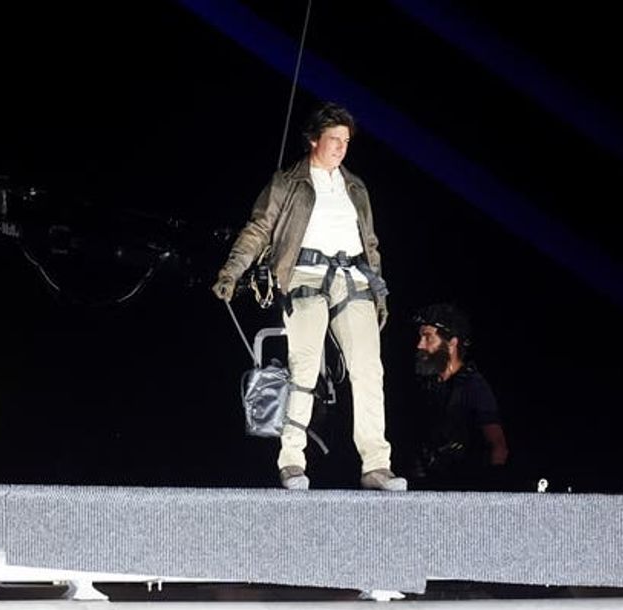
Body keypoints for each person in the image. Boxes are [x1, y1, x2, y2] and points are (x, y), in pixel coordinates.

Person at [212, 101, 406, 492]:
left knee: (369, 370)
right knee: (304, 368)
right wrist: (232, 271)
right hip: (304, 276)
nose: (340, 147)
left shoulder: (355, 186)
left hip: (353, 278)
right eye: (333, 139)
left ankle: (376, 464)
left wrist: (379, 293)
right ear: (314, 140)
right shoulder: (288, 182)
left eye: (346, 141)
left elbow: (370, 242)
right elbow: (258, 229)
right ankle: (292, 461)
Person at [411, 303, 510, 490]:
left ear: (452, 343)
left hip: (464, 488)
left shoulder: (474, 386)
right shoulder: (425, 387)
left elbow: (498, 446)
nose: (420, 345)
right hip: (428, 488)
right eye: (420, 337)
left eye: (428, 337)